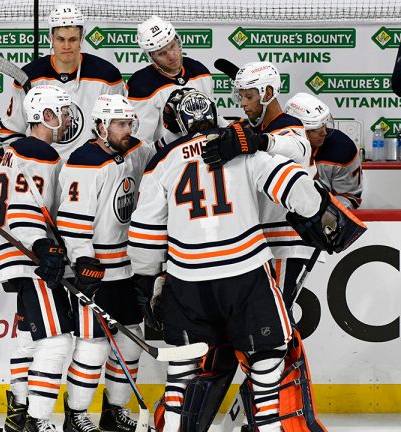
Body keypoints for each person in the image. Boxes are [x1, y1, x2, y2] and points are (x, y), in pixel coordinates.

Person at [128, 89, 357, 432]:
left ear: (176, 123)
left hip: (186, 279)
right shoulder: (240, 146)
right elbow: (299, 187)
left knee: (183, 372)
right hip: (244, 273)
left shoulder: (162, 162)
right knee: (267, 362)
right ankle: (267, 427)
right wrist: (315, 210)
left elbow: (144, 233)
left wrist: (146, 280)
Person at [56, 94, 152, 432]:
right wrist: (83, 259)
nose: (128, 129)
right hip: (96, 269)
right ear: (101, 126)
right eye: (121, 124)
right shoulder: (84, 162)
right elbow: (71, 221)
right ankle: (75, 414)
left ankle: (114, 411)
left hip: (126, 267)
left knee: (130, 340)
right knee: (93, 344)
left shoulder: (135, 151)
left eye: (130, 123)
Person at [0, 85, 75, 432]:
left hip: (14, 252)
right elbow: (24, 210)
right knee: (56, 340)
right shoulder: (39, 153)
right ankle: (39, 422)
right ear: (47, 116)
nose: (68, 118)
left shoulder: (16, 150)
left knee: (28, 336)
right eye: (63, 112)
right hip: (28, 255)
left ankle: (18, 412)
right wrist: (42, 246)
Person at [201, 61, 315, 311]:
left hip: (287, 241)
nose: (243, 103)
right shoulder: (249, 129)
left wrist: (260, 141)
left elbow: (297, 149)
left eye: (249, 96)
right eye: (240, 96)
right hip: (261, 243)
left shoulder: (289, 125)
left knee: (277, 318)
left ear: (269, 94)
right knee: (262, 320)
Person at [0, 3, 124, 160]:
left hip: (87, 168)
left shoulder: (107, 76)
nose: (66, 46)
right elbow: (10, 132)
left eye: (72, 39)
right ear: (50, 38)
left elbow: (119, 129)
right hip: (41, 167)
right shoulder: (30, 75)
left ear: (82, 38)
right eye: (60, 39)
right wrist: (24, 164)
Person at [127, 15, 220, 148]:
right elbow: (140, 146)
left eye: (172, 47)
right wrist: (171, 141)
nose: (172, 56)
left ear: (177, 40)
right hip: (166, 162)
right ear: (151, 56)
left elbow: (213, 118)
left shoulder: (199, 71)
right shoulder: (142, 85)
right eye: (162, 53)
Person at [284, 92, 363, 210]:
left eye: (324, 125)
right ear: (296, 130)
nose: (324, 133)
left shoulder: (342, 148)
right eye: (315, 129)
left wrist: (326, 213)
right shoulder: (276, 148)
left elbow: (350, 196)